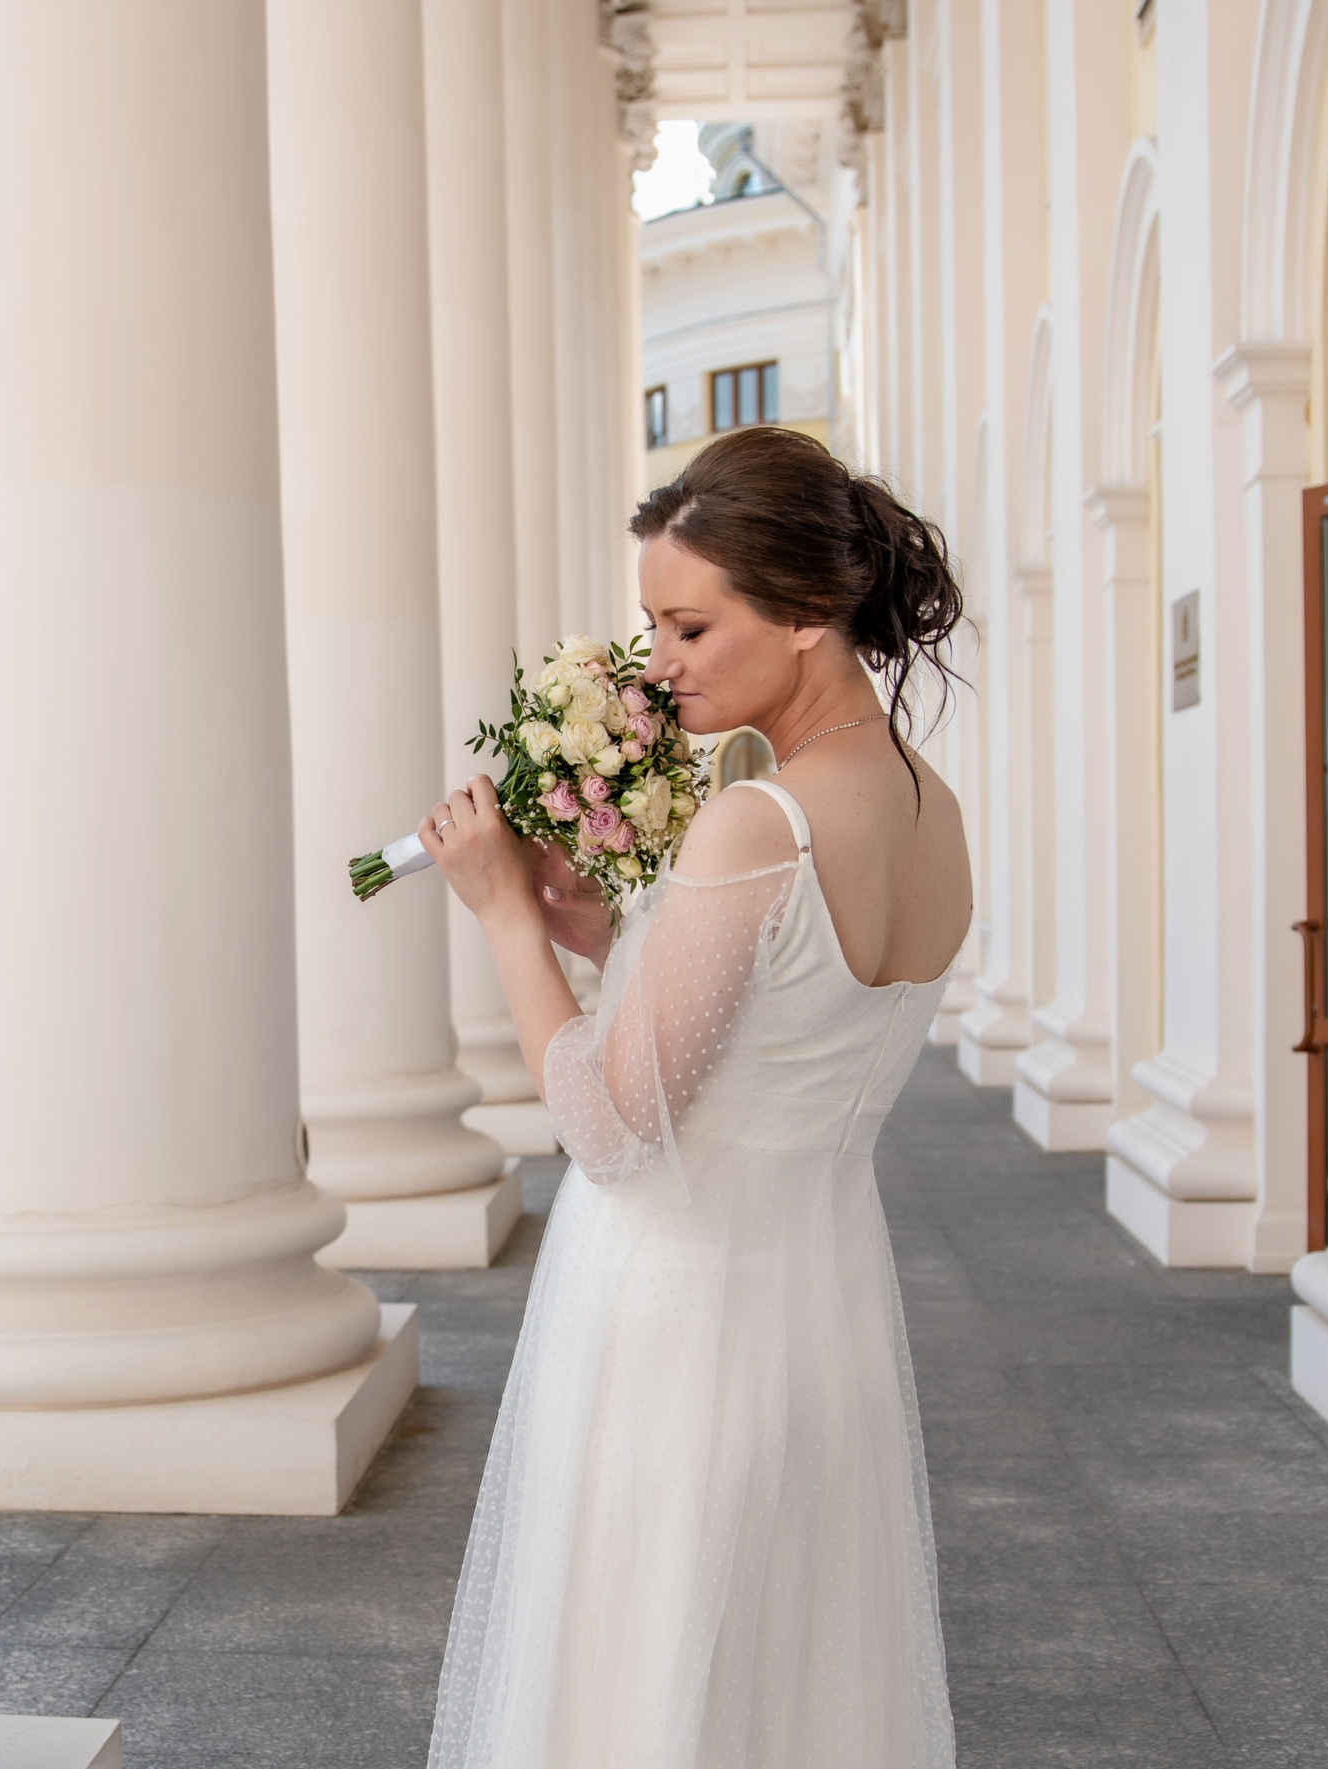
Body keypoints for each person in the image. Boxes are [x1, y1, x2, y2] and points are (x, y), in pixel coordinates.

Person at [417, 425, 972, 1768]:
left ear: (802, 614)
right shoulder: (931, 807)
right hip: (820, 1315)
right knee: (788, 1699)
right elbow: (785, 1019)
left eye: (688, 624)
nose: (657, 662)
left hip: (679, 1327)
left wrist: (504, 923)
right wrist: (611, 938)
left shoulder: (754, 822)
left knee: (646, 1698)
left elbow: (609, 1131)